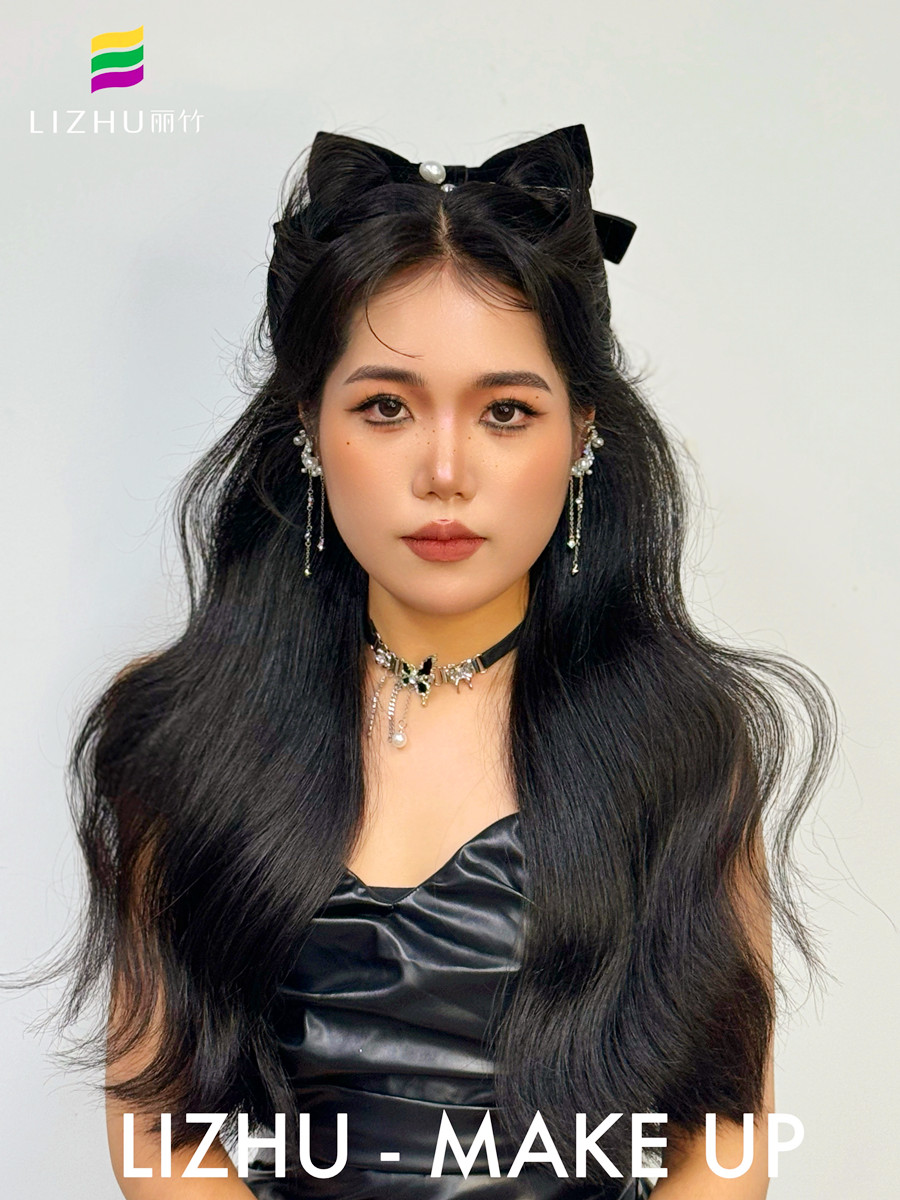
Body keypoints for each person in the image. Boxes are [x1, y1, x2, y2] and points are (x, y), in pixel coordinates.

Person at [13, 124, 837, 1199]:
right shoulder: (179, 733)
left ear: (582, 431)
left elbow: (723, 1146)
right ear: (309, 423)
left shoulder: (686, 742)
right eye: (386, 407)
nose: (445, 470)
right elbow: (164, 1134)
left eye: (506, 412)